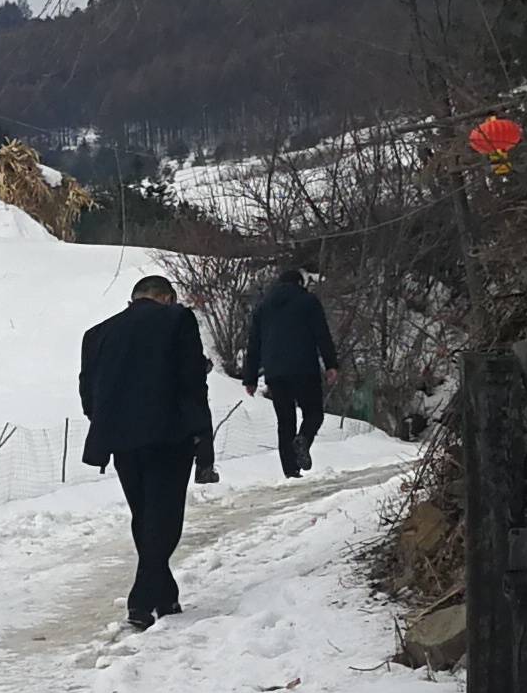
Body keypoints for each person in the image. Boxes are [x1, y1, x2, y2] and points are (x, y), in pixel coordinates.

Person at [78, 273, 218, 631]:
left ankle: (165, 594)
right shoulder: (178, 319)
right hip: (169, 432)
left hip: (121, 438)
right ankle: (140, 600)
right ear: (167, 298)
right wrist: (202, 436)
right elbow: (191, 381)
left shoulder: (97, 333)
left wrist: (108, 422)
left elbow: (88, 392)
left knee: (144, 514)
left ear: (133, 299)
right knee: (165, 516)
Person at [237, 259, 340, 478]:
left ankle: (290, 472)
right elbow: (322, 334)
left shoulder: (263, 307)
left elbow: (253, 343)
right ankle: (303, 439)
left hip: (275, 372)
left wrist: (250, 378)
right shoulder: (308, 301)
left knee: (285, 421)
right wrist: (331, 364)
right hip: (304, 368)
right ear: (300, 284)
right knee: (313, 413)